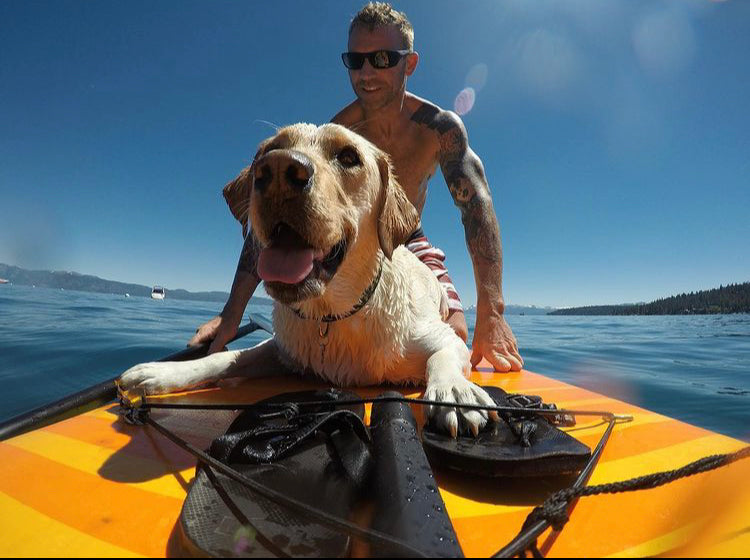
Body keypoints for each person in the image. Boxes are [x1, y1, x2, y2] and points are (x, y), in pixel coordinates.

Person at [190, 2, 523, 372]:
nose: (366, 72)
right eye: (356, 60)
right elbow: (279, 211)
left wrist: (492, 315)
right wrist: (230, 316)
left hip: (407, 239)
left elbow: (476, 206)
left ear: (409, 64)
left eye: (382, 58)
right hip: (349, 249)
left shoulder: (438, 128)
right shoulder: (333, 135)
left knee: (454, 334)